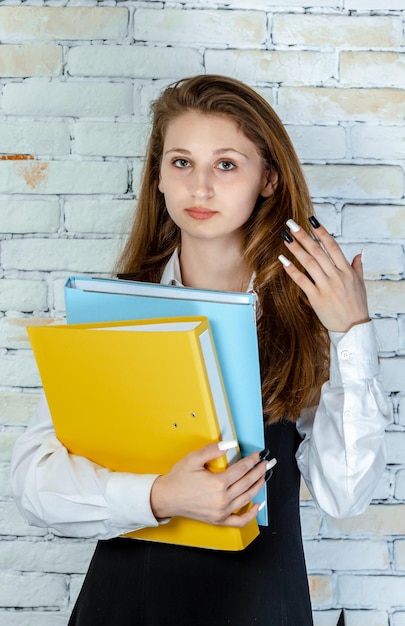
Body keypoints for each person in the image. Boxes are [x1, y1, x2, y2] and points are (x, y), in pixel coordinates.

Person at [10, 75, 391, 625]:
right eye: (182, 162)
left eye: (227, 164)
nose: (201, 188)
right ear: (159, 177)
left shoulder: (309, 320)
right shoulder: (117, 310)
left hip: (261, 607)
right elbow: (33, 481)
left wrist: (353, 332)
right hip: (124, 606)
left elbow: (345, 494)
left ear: (268, 179)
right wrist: (160, 497)